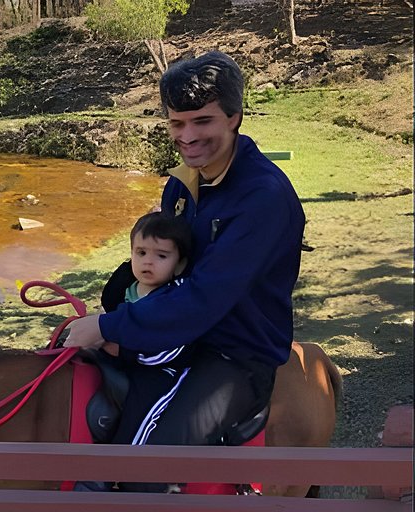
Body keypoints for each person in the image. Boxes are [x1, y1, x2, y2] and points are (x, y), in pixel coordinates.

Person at [64, 51, 306, 493]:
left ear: (235, 117)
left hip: (234, 354)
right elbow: (166, 263)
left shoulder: (262, 197)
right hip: (177, 338)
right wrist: (120, 299)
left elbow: (204, 299)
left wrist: (106, 326)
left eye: (202, 122)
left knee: (147, 470)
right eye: (177, 124)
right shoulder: (183, 183)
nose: (188, 137)